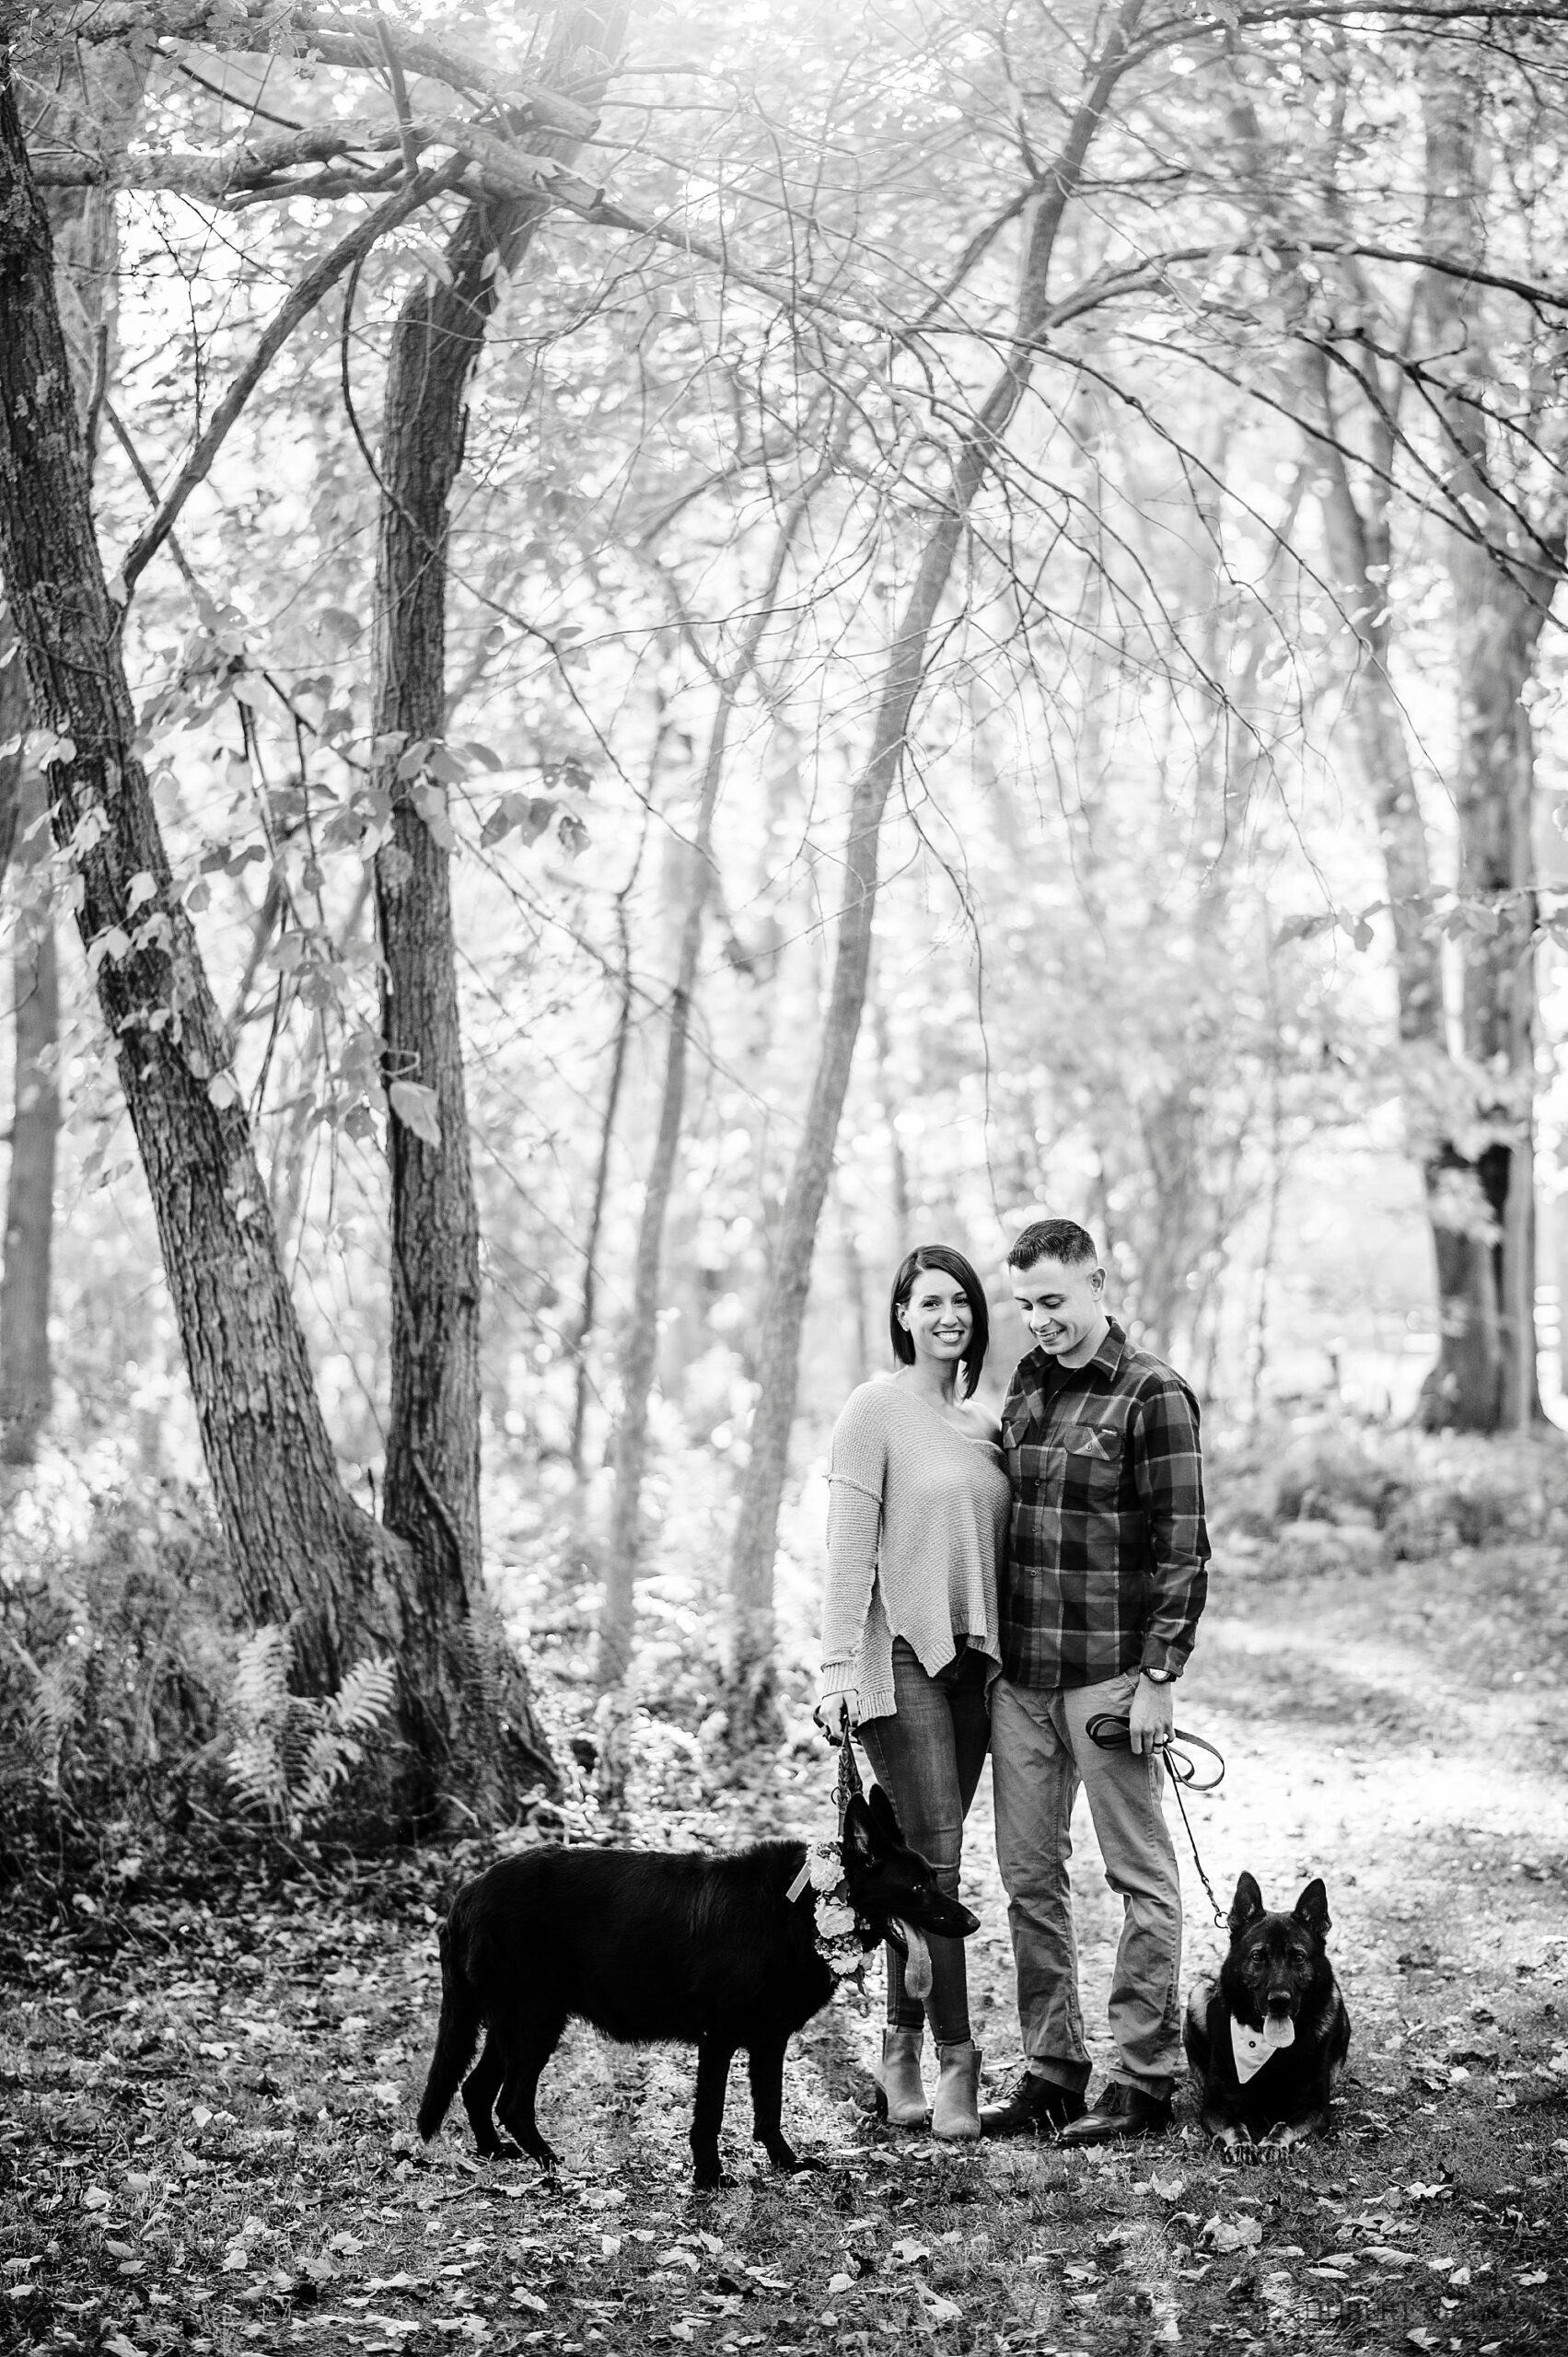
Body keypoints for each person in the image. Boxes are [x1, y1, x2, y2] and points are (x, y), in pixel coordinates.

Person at [980, 1218, 1210, 2146]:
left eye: (1053, 1300)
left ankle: (1143, 2078)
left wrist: (1158, 1674)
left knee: (1138, 1878)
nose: (1039, 1318)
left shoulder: (1153, 1393)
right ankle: (1051, 2071)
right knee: (1028, 1881)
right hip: (1020, 1680)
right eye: (1024, 1304)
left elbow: (1182, 1547)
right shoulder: (1027, 1383)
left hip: (1109, 1679)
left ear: (1096, 1283)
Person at [816, 1245, 1009, 2142]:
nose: (947, 1315)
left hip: (975, 1670)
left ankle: (898, 2050)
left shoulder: (984, 1424)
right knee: (938, 1872)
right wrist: (833, 1670)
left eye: (959, 1300)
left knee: (923, 1870)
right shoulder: (874, 1409)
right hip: (897, 1660)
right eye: (928, 1301)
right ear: (901, 1314)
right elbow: (846, 1550)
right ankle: (955, 2063)